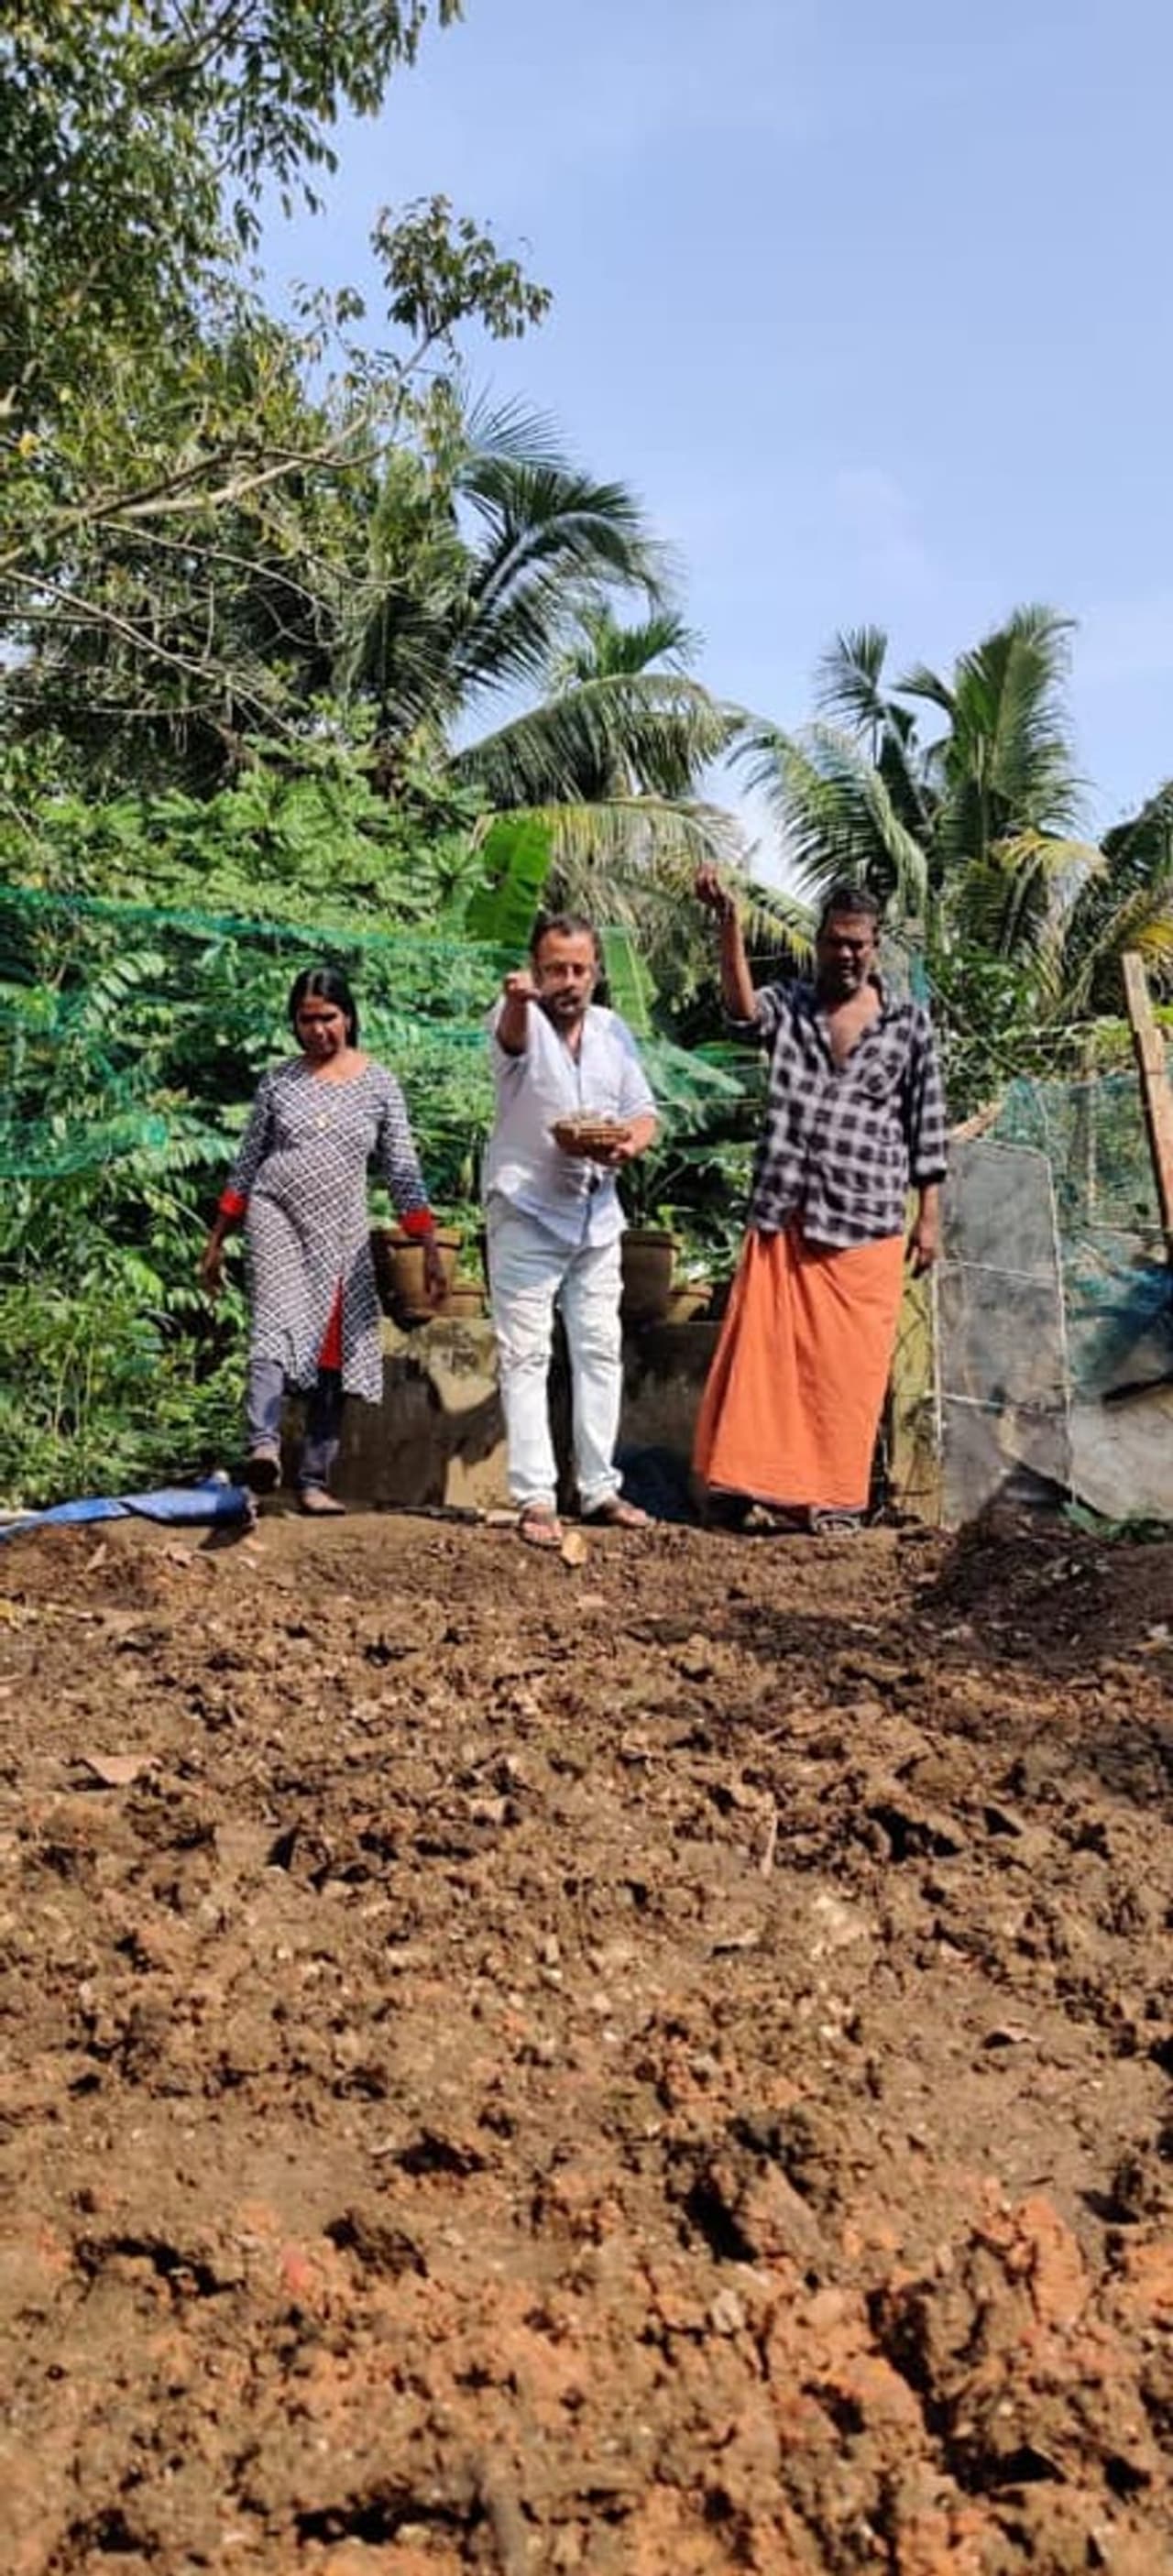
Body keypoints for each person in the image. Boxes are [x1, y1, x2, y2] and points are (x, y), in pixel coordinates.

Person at [692, 871, 947, 1534]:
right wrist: (728, 923)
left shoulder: (909, 1027)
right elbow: (742, 1012)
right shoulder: (792, 1004)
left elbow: (928, 1127)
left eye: (859, 944)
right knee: (764, 1364)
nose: (847, 955)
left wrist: (930, 1217)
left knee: (846, 1375)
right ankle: (742, 1485)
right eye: (836, 942)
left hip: (866, 1223)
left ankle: (833, 1499)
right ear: (818, 942)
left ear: (877, 946)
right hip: (787, 1210)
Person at [200, 965, 443, 1514]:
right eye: (306, 1020)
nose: (317, 1030)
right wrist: (218, 1239)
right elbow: (246, 1164)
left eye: (328, 1018)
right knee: (274, 1319)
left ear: (349, 1017)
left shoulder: (378, 1083)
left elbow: (401, 1167)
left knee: (334, 1343)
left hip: (341, 1229)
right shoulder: (278, 1083)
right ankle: (262, 1445)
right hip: (275, 1212)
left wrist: (426, 1243)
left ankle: (314, 1478)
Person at [483, 912, 659, 1548]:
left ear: (595, 972)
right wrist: (513, 999)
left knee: (598, 1348)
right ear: (536, 970)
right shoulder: (516, 1019)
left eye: (579, 968)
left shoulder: (614, 1032)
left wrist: (628, 1145)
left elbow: (642, 1112)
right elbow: (508, 1041)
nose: (568, 980)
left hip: (596, 1213)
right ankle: (535, 1495)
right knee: (526, 1352)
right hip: (527, 1207)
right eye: (555, 968)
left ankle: (599, 1487)